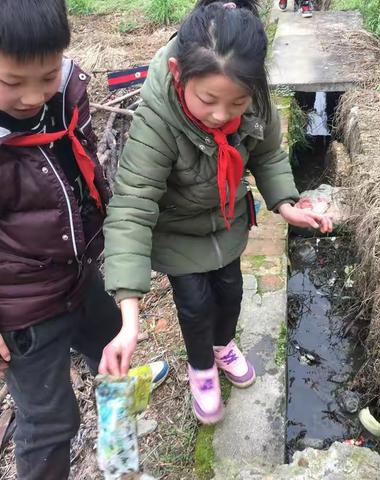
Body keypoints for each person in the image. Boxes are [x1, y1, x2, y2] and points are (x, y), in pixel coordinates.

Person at [103, 0, 332, 425]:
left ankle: (223, 345)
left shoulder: (255, 97)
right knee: (194, 304)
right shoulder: (158, 120)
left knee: (230, 293)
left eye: (237, 103)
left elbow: (267, 156)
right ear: (178, 75)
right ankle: (201, 369)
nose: (222, 115)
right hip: (177, 231)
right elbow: (132, 206)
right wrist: (129, 314)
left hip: (227, 223)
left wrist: (286, 204)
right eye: (208, 100)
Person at [0, 1, 159, 478]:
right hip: (21, 304)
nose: (33, 97)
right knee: (50, 421)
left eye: (46, 76)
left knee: (111, 341)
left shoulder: (69, 93)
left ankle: (117, 411)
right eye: (11, 82)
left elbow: (85, 170)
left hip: (77, 273)